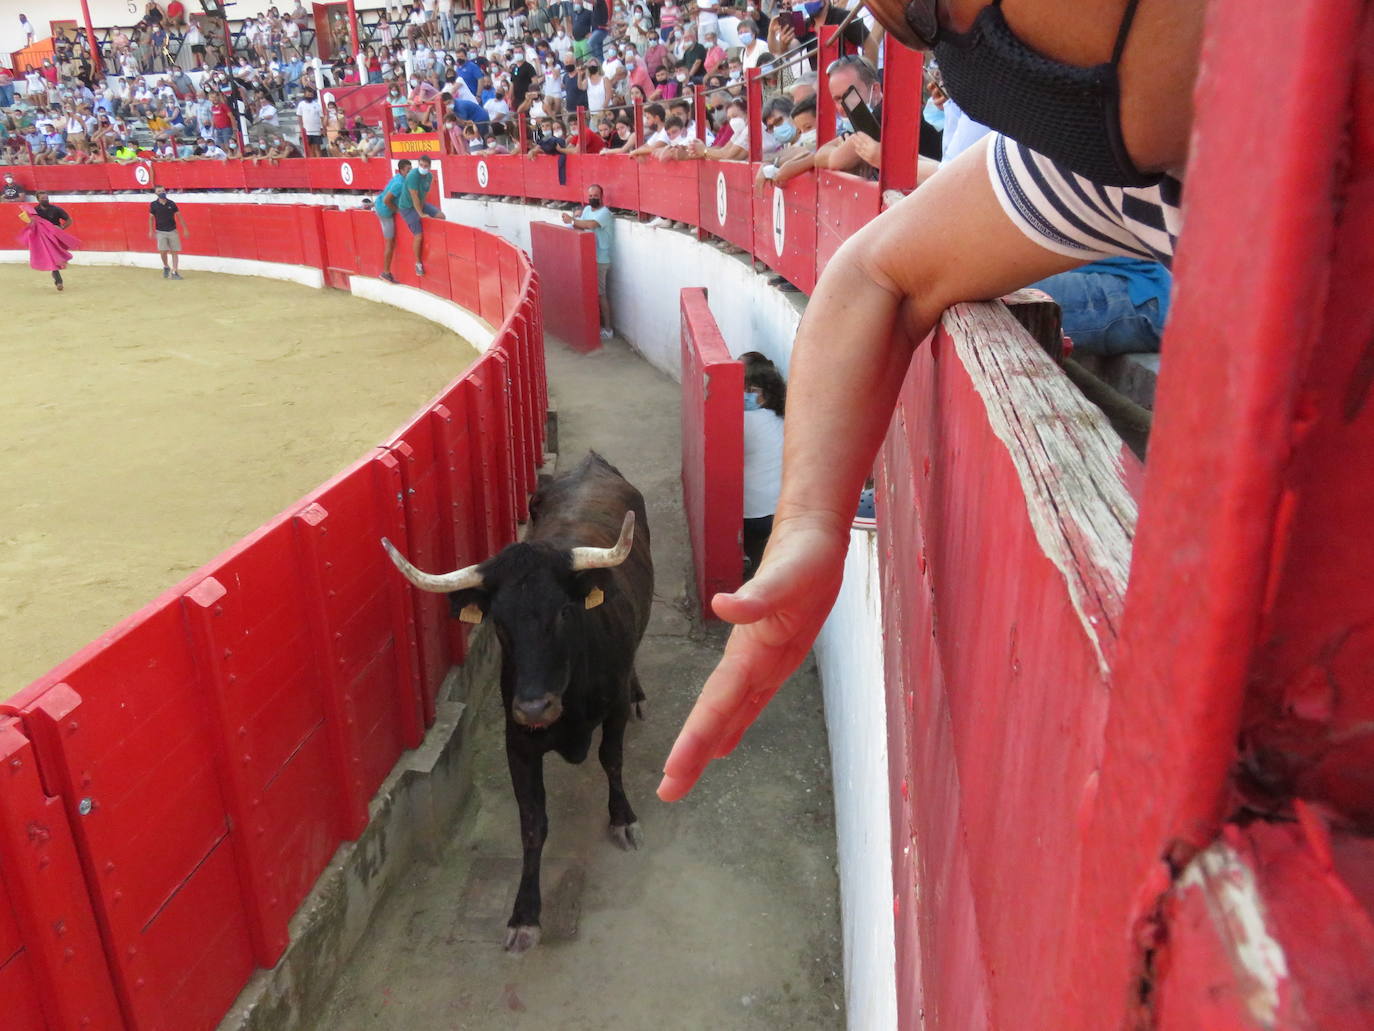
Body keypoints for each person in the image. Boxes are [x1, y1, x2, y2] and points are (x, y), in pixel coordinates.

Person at [658, 0, 1206, 803]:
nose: (963, 54)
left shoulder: (1152, 118)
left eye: (926, 10)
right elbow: (871, 274)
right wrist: (809, 523)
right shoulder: (1125, 163)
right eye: (919, 28)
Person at [740, 354, 786, 579]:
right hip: (779, 513)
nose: (745, 395)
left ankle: (742, 556)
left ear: (766, 394)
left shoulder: (743, 421)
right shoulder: (783, 420)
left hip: (749, 517)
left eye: (751, 391)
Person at [560, 182, 614, 340]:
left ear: (602, 197)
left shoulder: (605, 213)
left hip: (600, 259)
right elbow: (580, 226)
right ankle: (598, 327)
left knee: (601, 294)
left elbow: (590, 225)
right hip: (589, 256)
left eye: (595, 196)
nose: (592, 198)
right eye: (590, 196)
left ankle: (608, 329)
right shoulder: (588, 210)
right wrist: (570, 222)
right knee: (594, 294)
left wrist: (572, 221)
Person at [396, 153, 445, 277]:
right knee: (418, 236)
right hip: (407, 207)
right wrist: (421, 214)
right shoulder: (412, 176)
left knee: (441, 216)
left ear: (429, 166)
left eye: (426, 166)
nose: (423, 167)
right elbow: (414, 196)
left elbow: (422, 196)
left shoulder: (429, 176)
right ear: (418, 164)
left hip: (419, 204)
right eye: (421, 165)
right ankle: (418, 263)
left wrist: (422, 209)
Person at [20, 192, 78, 292]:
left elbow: (69, 220)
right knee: (51, 257)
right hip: (44, 238)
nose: (45, 200)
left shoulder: (56, 209)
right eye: (43, 198)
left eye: (46, 198)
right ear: (38, 200)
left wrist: (61, 228)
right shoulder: (35, 211)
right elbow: (31, 224)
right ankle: (58, 281)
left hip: (56, 236)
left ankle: (57, 273)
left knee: (56, 256)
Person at [373, 156, 412, 282]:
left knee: (390, 243)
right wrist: (396, 210)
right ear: (401, 170)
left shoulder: (398, 178)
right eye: (407, 170)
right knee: (389, 244)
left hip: (379, 205)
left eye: (411, 170)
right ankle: (386, 273)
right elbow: (387, 200)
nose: (410, 172)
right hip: (385, 212)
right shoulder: (400, 183)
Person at [148, 185, 188, 279]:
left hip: (172, 231)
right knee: (163, 251)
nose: (161, 192)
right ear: (156, 193)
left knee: (174, 251)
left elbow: (179, 216)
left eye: (163, 190)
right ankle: (166, 266)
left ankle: (174, 271)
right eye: (159, 191)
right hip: (160, 232)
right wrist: (151, 230)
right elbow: (151, 218)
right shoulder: (153, 205)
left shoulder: (171, 203)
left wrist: (185, 229)